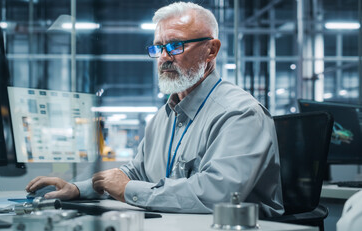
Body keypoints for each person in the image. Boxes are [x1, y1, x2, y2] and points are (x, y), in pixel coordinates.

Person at [26, 1, 284, 218]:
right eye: (158, 47)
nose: (163, 57)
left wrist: (128, 190)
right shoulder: (165, 116)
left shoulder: (239, 113)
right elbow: (137, 171)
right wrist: (78, 188)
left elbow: (218, 195)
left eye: (174, 46)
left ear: (211, 50)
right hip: (181, 226)